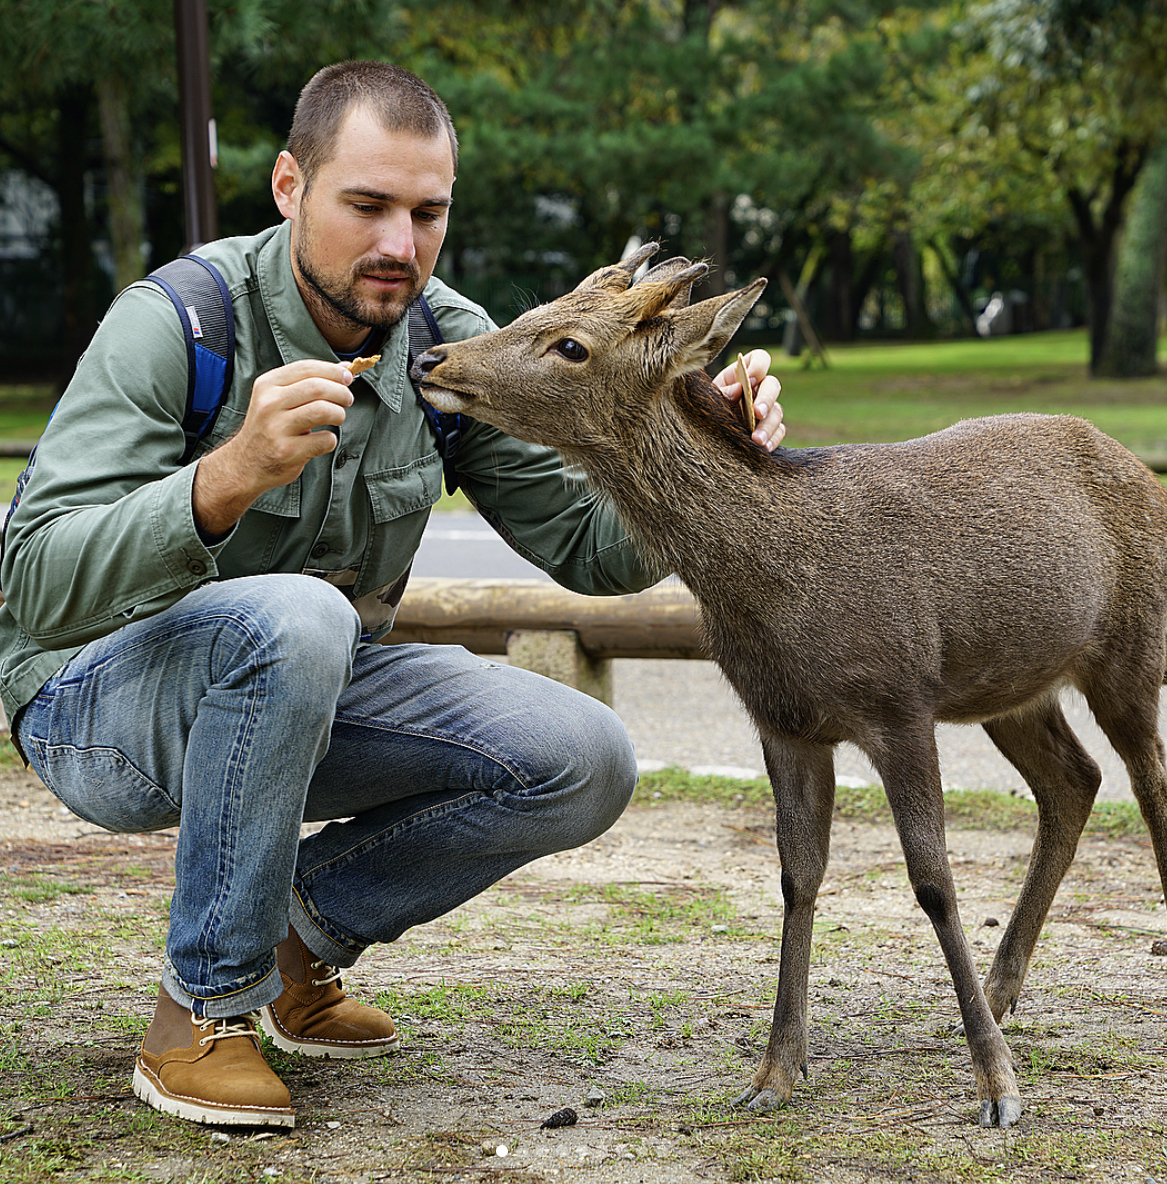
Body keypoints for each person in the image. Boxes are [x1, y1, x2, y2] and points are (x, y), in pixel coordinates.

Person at [0, 60, 785, 1128]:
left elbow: (593, 551)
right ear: (289, 186)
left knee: (583, 757)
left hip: (305, 692)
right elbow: (32, 580)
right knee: (300, 616)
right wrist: (223, 478)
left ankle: (296, 944)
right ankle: (199, 1011)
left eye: (427, 212)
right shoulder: (180, 325)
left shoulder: (441, 340)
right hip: (96, 705)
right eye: (366, 205)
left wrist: (705, 454)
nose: (399, 245)